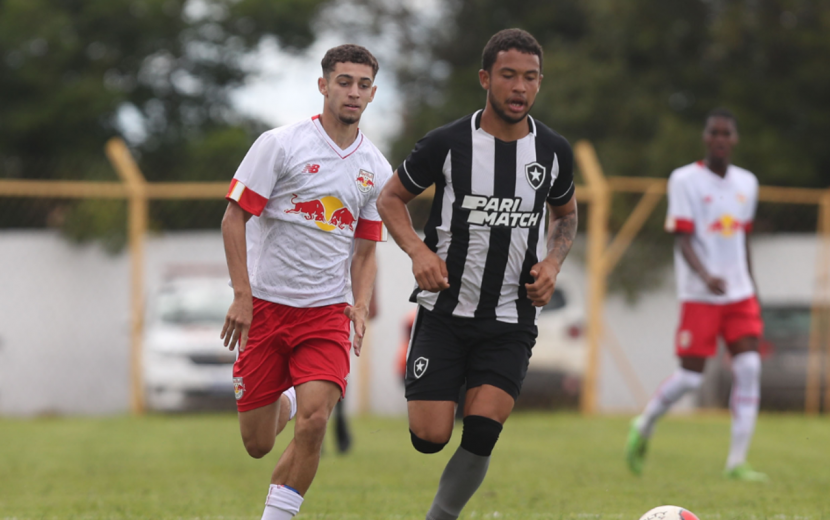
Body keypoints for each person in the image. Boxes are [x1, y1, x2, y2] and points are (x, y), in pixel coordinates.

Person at [377, 29, 578, 520]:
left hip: (511, 317)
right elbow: (389, 199)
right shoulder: (446, 143)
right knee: (430, 437)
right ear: (486, 78)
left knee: (484, 430)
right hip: (444, 312)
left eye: (530, 78)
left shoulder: (552, 150)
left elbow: (566, 215)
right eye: (509, 76)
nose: (519, 88)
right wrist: (418, 252)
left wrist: (552, 262)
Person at [220, 44, 391, 520]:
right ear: (323, 86)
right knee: (257, 443)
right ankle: (291, 397)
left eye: (362, 85)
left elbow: (365, 251)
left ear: (373, 93)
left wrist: (359, 305)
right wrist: (242, 296)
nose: (352, 92)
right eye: (343, 81)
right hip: (267, 310)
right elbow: (233, 218)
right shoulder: (280, 144)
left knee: (316, 422)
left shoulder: (376, 169)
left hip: (325, 314)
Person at [625, 108, 766, 482]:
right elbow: (682, 236)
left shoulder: (747, 183)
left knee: (750, 368)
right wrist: (706, 276)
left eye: (727, 133)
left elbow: (743, 238)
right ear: (706, 137)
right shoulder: (685, 180)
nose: (720, 139)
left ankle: (736, 463)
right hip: (700, 295)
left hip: (739, 295)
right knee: (691, 379)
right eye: (714, 132)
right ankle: (645, 423)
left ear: (734, 140)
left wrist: (752, 286)